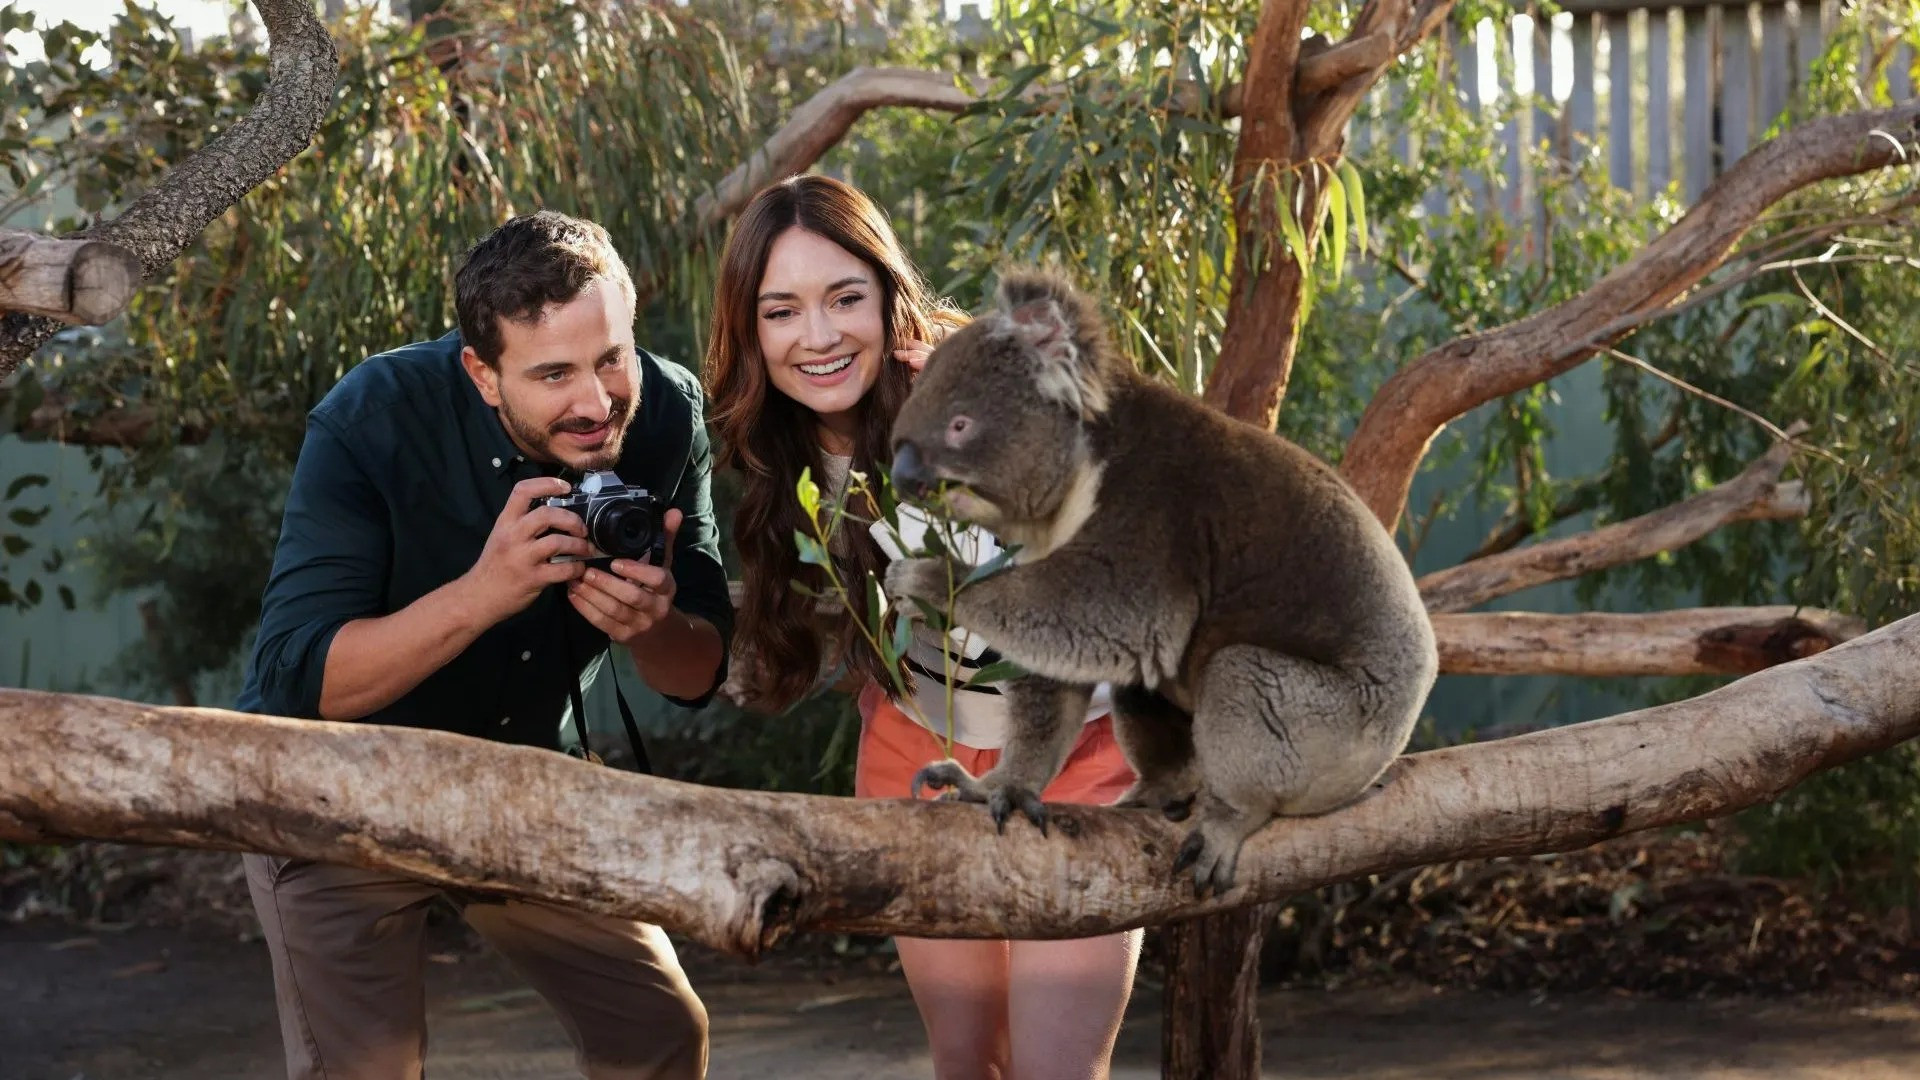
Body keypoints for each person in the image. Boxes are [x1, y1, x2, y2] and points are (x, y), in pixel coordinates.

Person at [232, 209, 731, 1080]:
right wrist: (483, 593)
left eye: (611, 358)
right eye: (553, 374)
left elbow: (697, 674)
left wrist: (653, 626)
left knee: (660, 1033)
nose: (595, 402)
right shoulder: (374, 417)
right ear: (483, 374)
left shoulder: (664, 411)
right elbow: (296, 679)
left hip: (526, 771)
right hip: (337, 786)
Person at [702, 174, 1142, 1080]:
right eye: (781, 311)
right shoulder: (782, 447)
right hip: (919, 753)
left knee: (1057, 1067)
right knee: (967, 1059)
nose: (818, 336)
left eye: (844, 299)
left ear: (887, 295)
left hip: (1075, 752)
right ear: (750, 330)